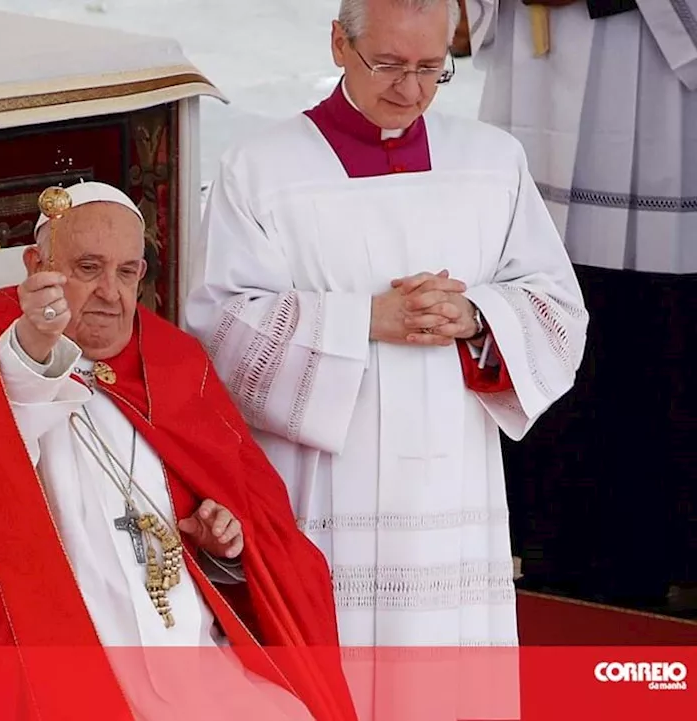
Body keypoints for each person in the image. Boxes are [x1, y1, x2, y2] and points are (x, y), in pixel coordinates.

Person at [185, 0, 587, 668]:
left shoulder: (491, 161)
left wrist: (477, 317)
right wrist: (366, 319)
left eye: (433, 68)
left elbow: (555, 307)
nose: (412, 90)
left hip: (454, 474)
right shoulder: (263, 168)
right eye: (391, 66)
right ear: (339, 45)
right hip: (327, 479)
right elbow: (222, 325)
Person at [0, 181, 358, 721]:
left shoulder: (173, 362)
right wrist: (37, 341)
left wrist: (216, 543)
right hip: (71, 671)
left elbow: (253, 540)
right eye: (88, 268)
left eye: (128, 272)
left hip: (197, 663)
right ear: (37, 265)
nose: (111, 293)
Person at [467, 0, 697, 608]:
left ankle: (656, 571)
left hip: (660, 103)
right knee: (533, 301)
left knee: (650, 343)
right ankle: (544, 554)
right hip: (532, 88)